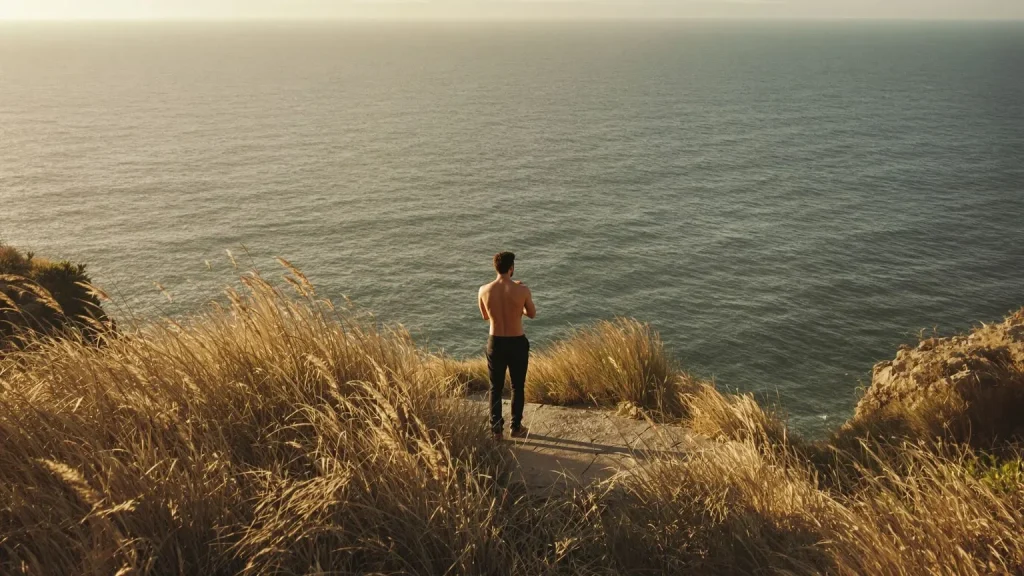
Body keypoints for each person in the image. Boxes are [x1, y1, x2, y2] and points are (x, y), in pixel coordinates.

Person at [478, 251, 537, 440]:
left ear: (495, 267)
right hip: (517, 341)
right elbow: (532, 313)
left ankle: (496, 430)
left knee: (495, 387)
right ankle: (516, 427)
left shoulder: (483, 290)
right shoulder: (522, 290)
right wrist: (518, 306)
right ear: (511, 268)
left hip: (495, 341)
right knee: (517, 386)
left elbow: (485, 316)